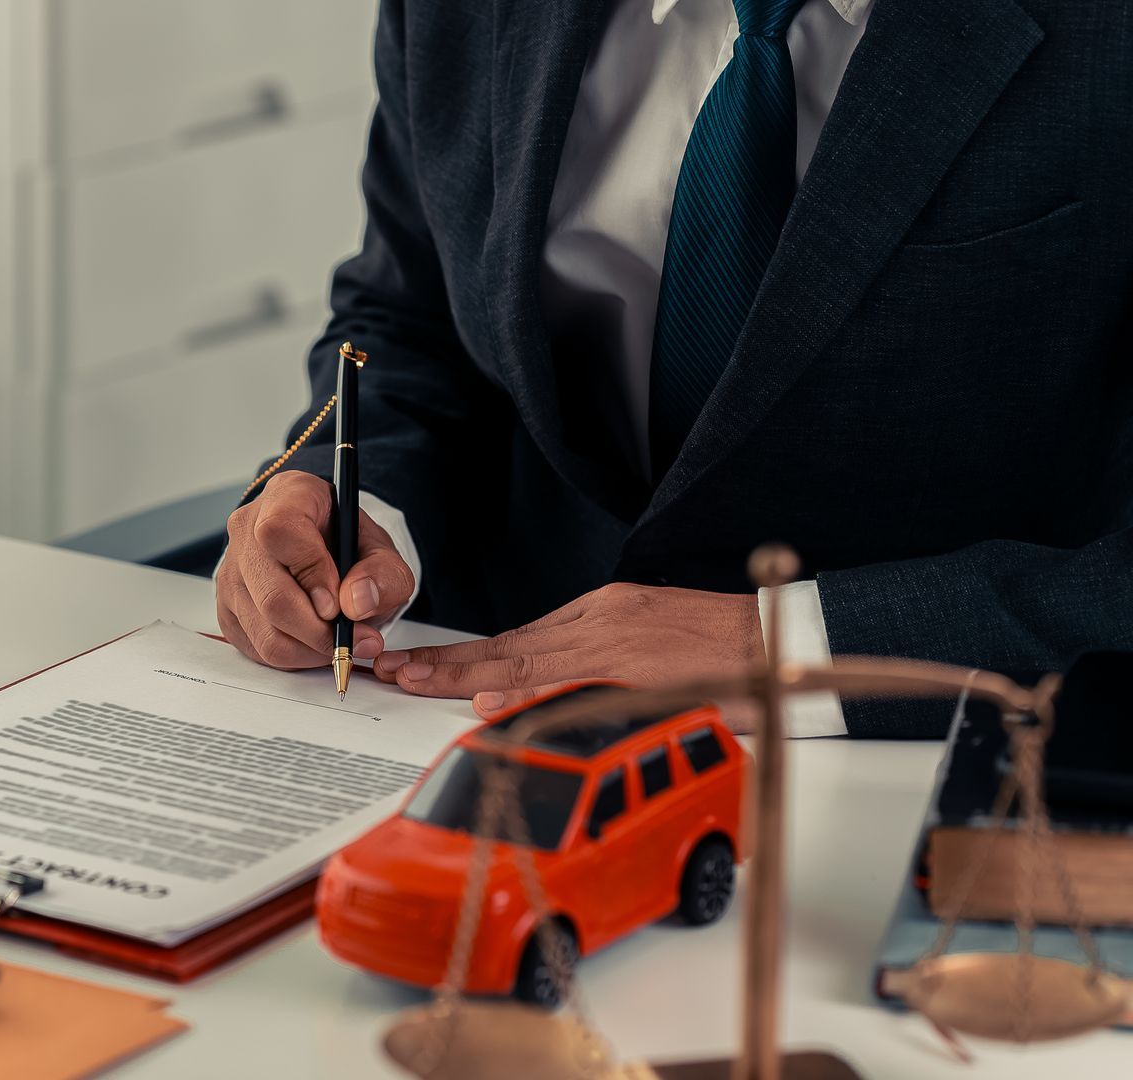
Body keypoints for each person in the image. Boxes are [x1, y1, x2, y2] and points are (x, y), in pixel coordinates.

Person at [216, 0, 1132, 738]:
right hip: (457, 710)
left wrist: (791, 647)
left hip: (957, 769)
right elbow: (407, 314)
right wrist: (354, 496)